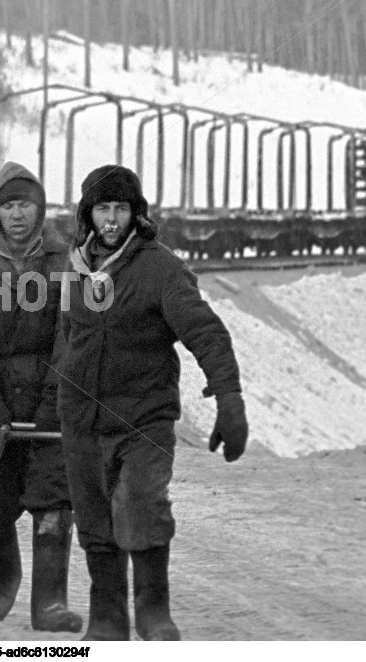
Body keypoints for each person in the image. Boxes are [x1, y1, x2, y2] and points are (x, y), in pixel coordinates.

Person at [57, 165, 249, 641]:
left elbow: (205, 332)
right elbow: (65, 340)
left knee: (141, 506)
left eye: (121, 208)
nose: (112, 219)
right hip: (82, 420)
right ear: (88, 214)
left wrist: (228, 396)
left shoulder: (159, 267)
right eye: (103, 208)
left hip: (144, 416)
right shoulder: (74, 268)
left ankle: (153, 611)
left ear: (135, 214)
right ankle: (107, 618)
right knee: (95, 521)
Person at [0, 161, 82, 633]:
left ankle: (49, 604)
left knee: (53, 504)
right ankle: (2, 577)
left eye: (25, 204)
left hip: (49, 406)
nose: (17, 214)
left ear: (39, 208)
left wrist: (54, 395)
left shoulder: (66, 265)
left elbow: (71, 334)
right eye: (8, 205)